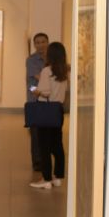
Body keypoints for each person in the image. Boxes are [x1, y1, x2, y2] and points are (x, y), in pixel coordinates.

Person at [30, 41, 69, 189]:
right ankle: (58, 177)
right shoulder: (65, 71)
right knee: (57, 144)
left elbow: (44, 92)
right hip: (58, 110)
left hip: (46, 110)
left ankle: (46, 179)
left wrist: (32, 88)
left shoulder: (47, 71)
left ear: (51, 54)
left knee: (44, 146)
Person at [26, 33, 49, 173]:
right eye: (38, 42)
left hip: (49, 100)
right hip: (34, 99)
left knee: (48, 133)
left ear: (48, 42)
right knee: (35, 134)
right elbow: (36, 80)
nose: (41, 45)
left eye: (43, 41)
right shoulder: (31, 60)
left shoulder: (52, 58)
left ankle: (46, 159)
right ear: (34, 45)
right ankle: (37, 162)